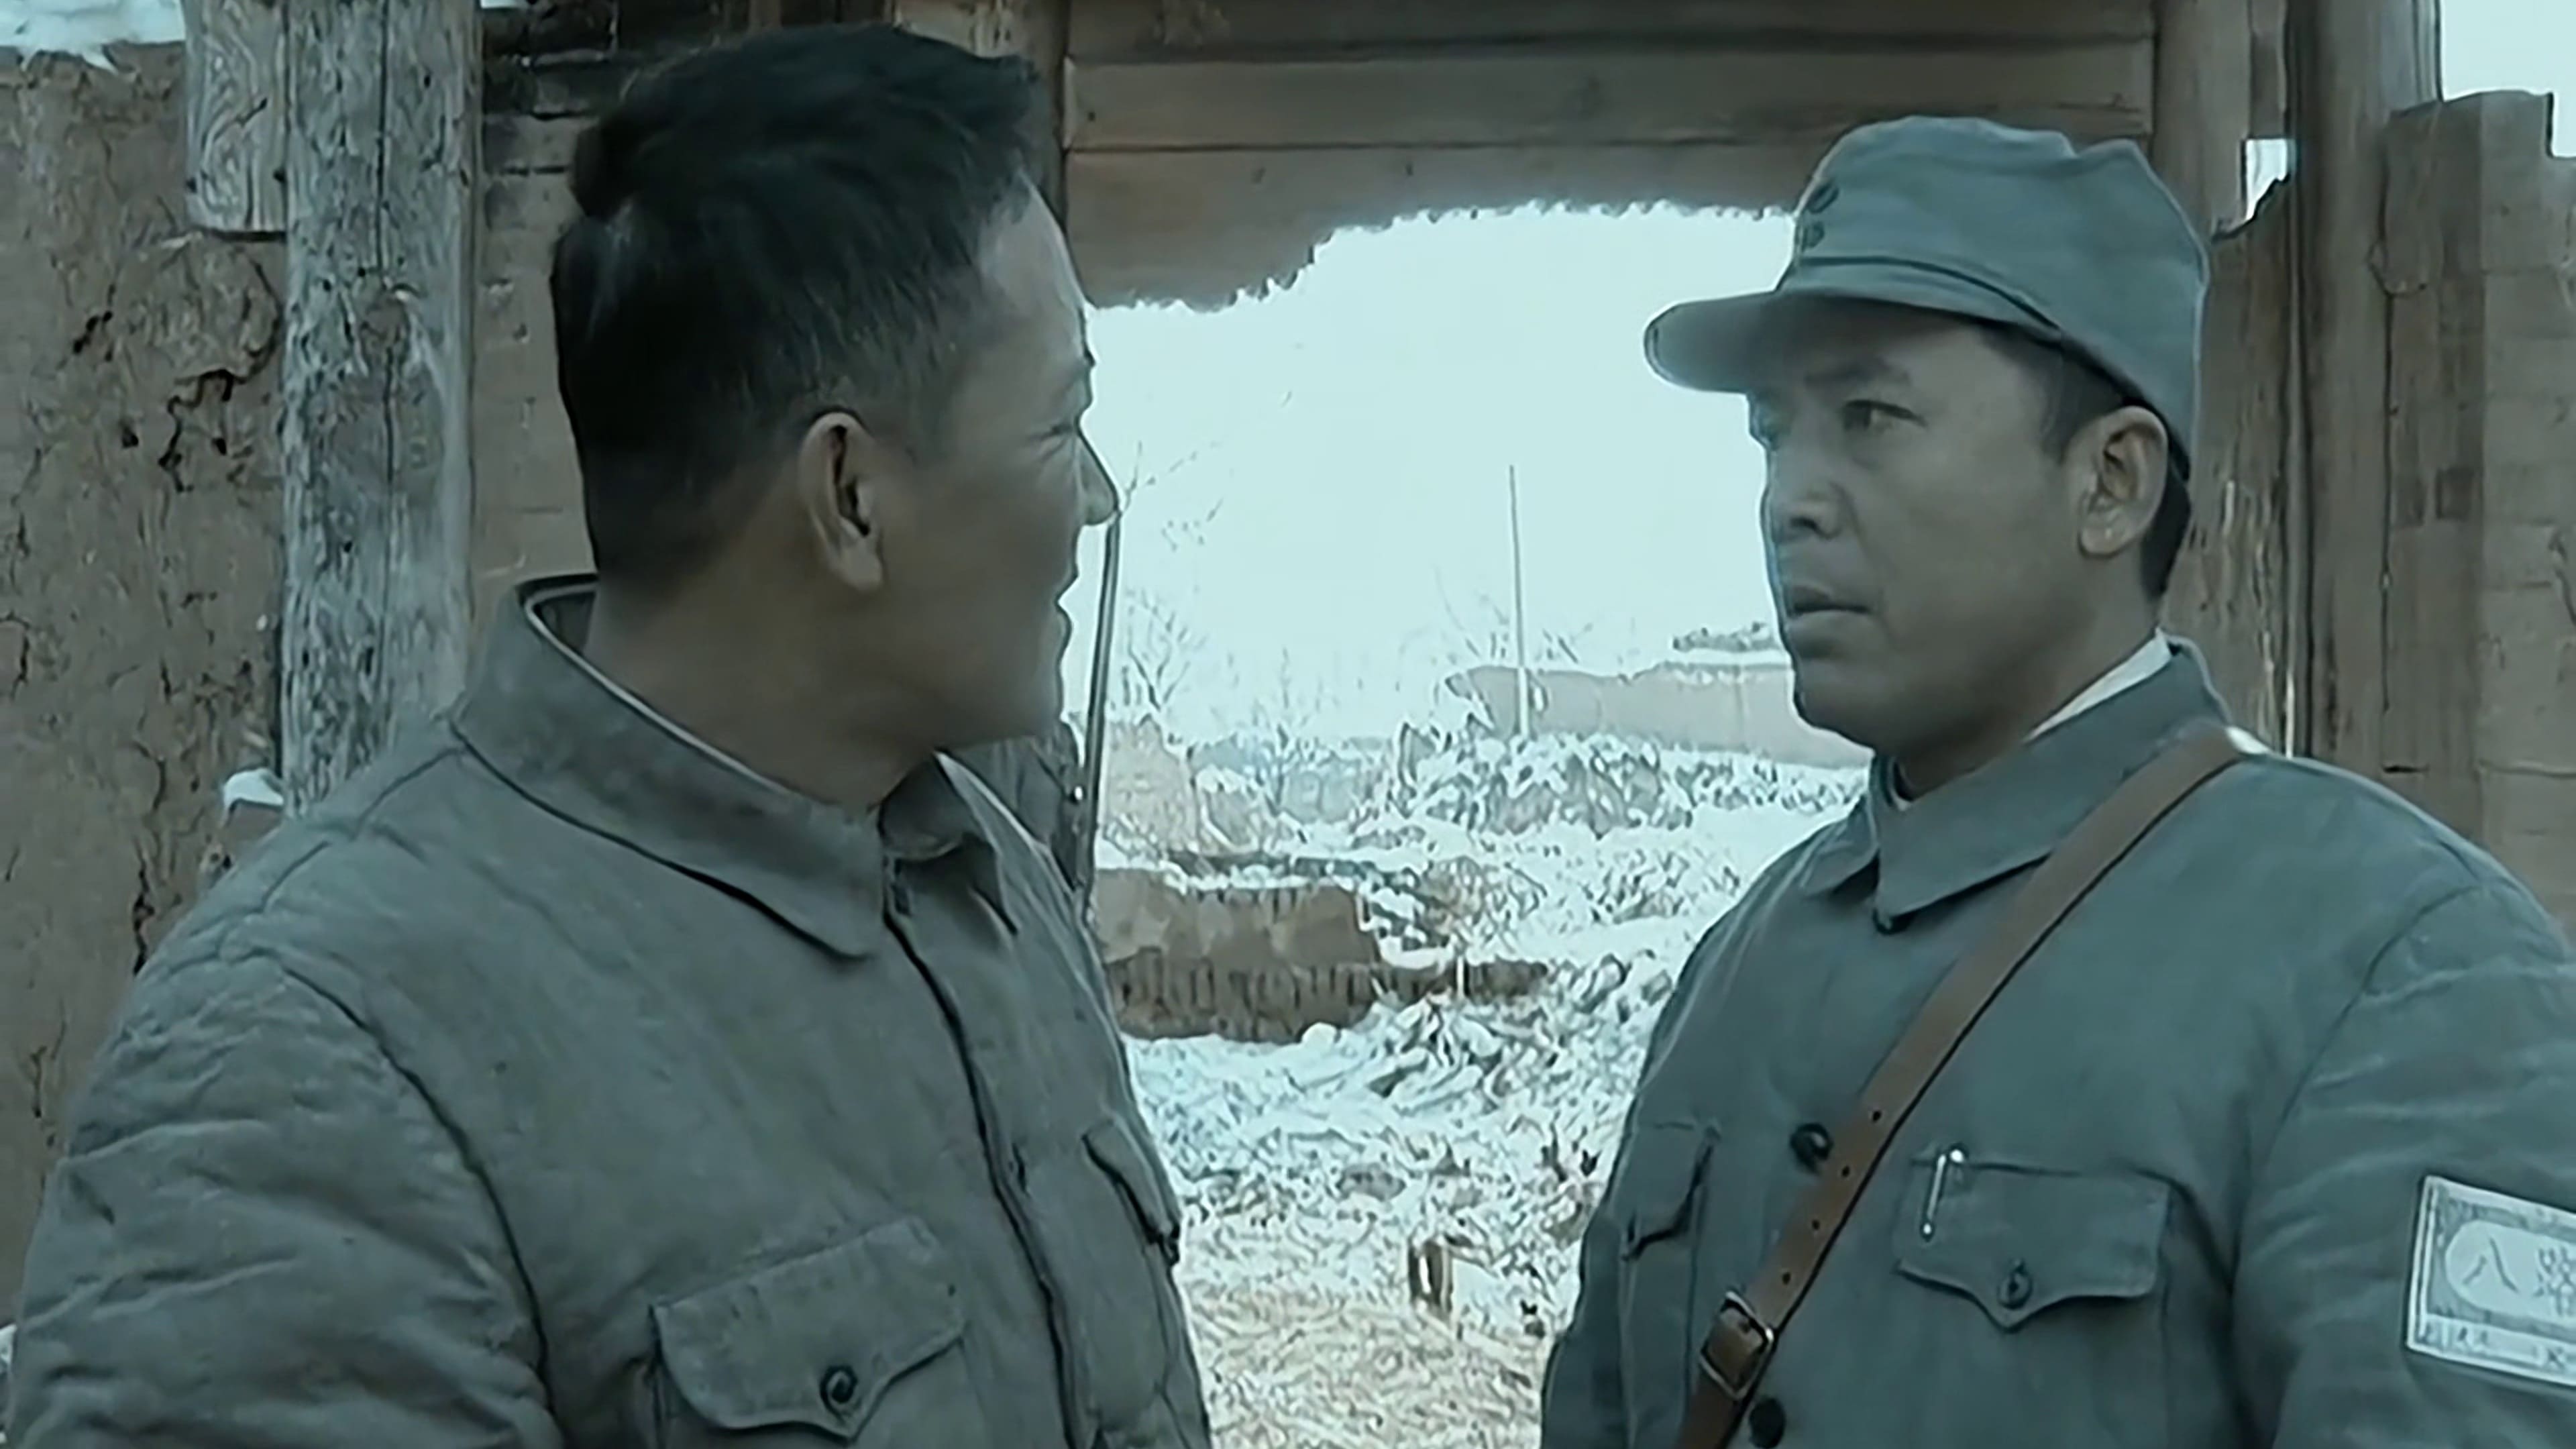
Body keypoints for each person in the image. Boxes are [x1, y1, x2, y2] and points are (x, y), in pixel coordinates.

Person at [8, 24, 1209, 1449]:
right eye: (1062, 428)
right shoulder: (308, 1075)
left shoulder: (987, 891)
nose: (1097, 498)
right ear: (850, 499)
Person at [1541, 115, 2576, 1449]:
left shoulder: (2401, 975)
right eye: (1773, 435)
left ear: (2111, 484)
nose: (1790, 498)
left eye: (1868, 418)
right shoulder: (1740, 967)